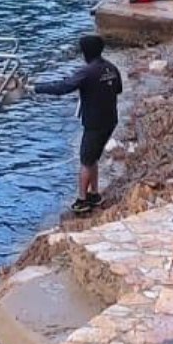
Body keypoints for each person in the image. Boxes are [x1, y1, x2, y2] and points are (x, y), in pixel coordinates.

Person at [33, 35, 124, 215]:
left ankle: (82, 200)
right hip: (110, 120)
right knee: (93, 157)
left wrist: (37, 88)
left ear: (86, 52)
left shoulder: (87, 72)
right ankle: (94, 193)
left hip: (94, 123)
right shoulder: (111, 68)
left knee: (85, 160)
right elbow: (119, 89)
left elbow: (63, 87)